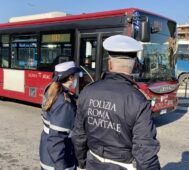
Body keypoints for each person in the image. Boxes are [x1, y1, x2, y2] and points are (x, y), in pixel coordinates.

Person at [72, 35, 161, 170]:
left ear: (109, 63)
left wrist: (82, 161)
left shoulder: (87, 91)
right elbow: (144, 149)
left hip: (93, 162)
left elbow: (79, 134)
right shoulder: (138, 100)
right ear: (135, 64)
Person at [39, 61, 82, 170]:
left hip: (47, 155)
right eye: (76, 76)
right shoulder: (64, 103)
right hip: (59, 161)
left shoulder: (50, 90)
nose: (77, 79)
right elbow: (57, 139)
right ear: (71, 78)